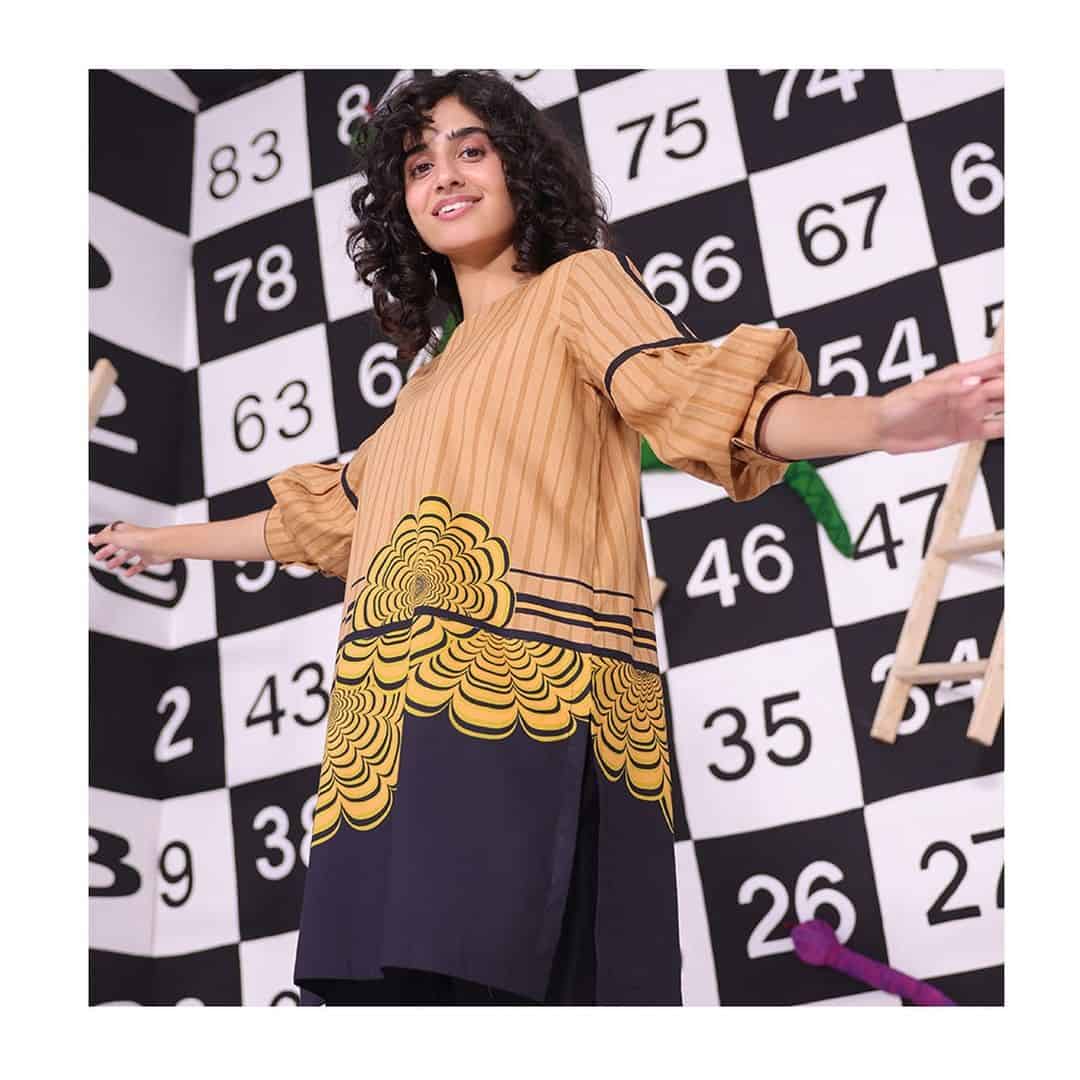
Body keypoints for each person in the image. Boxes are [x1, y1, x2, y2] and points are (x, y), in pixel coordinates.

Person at [88, 69, 1005, 1006]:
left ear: (522, 170)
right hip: (388, 751)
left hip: (526, 729)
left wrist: (880, 420)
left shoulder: (577, 285)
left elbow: (695, 395)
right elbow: (322, 519)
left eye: (471, 150)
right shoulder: (428, 380)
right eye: (418, 165)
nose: (444, 175)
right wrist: (163, 544)